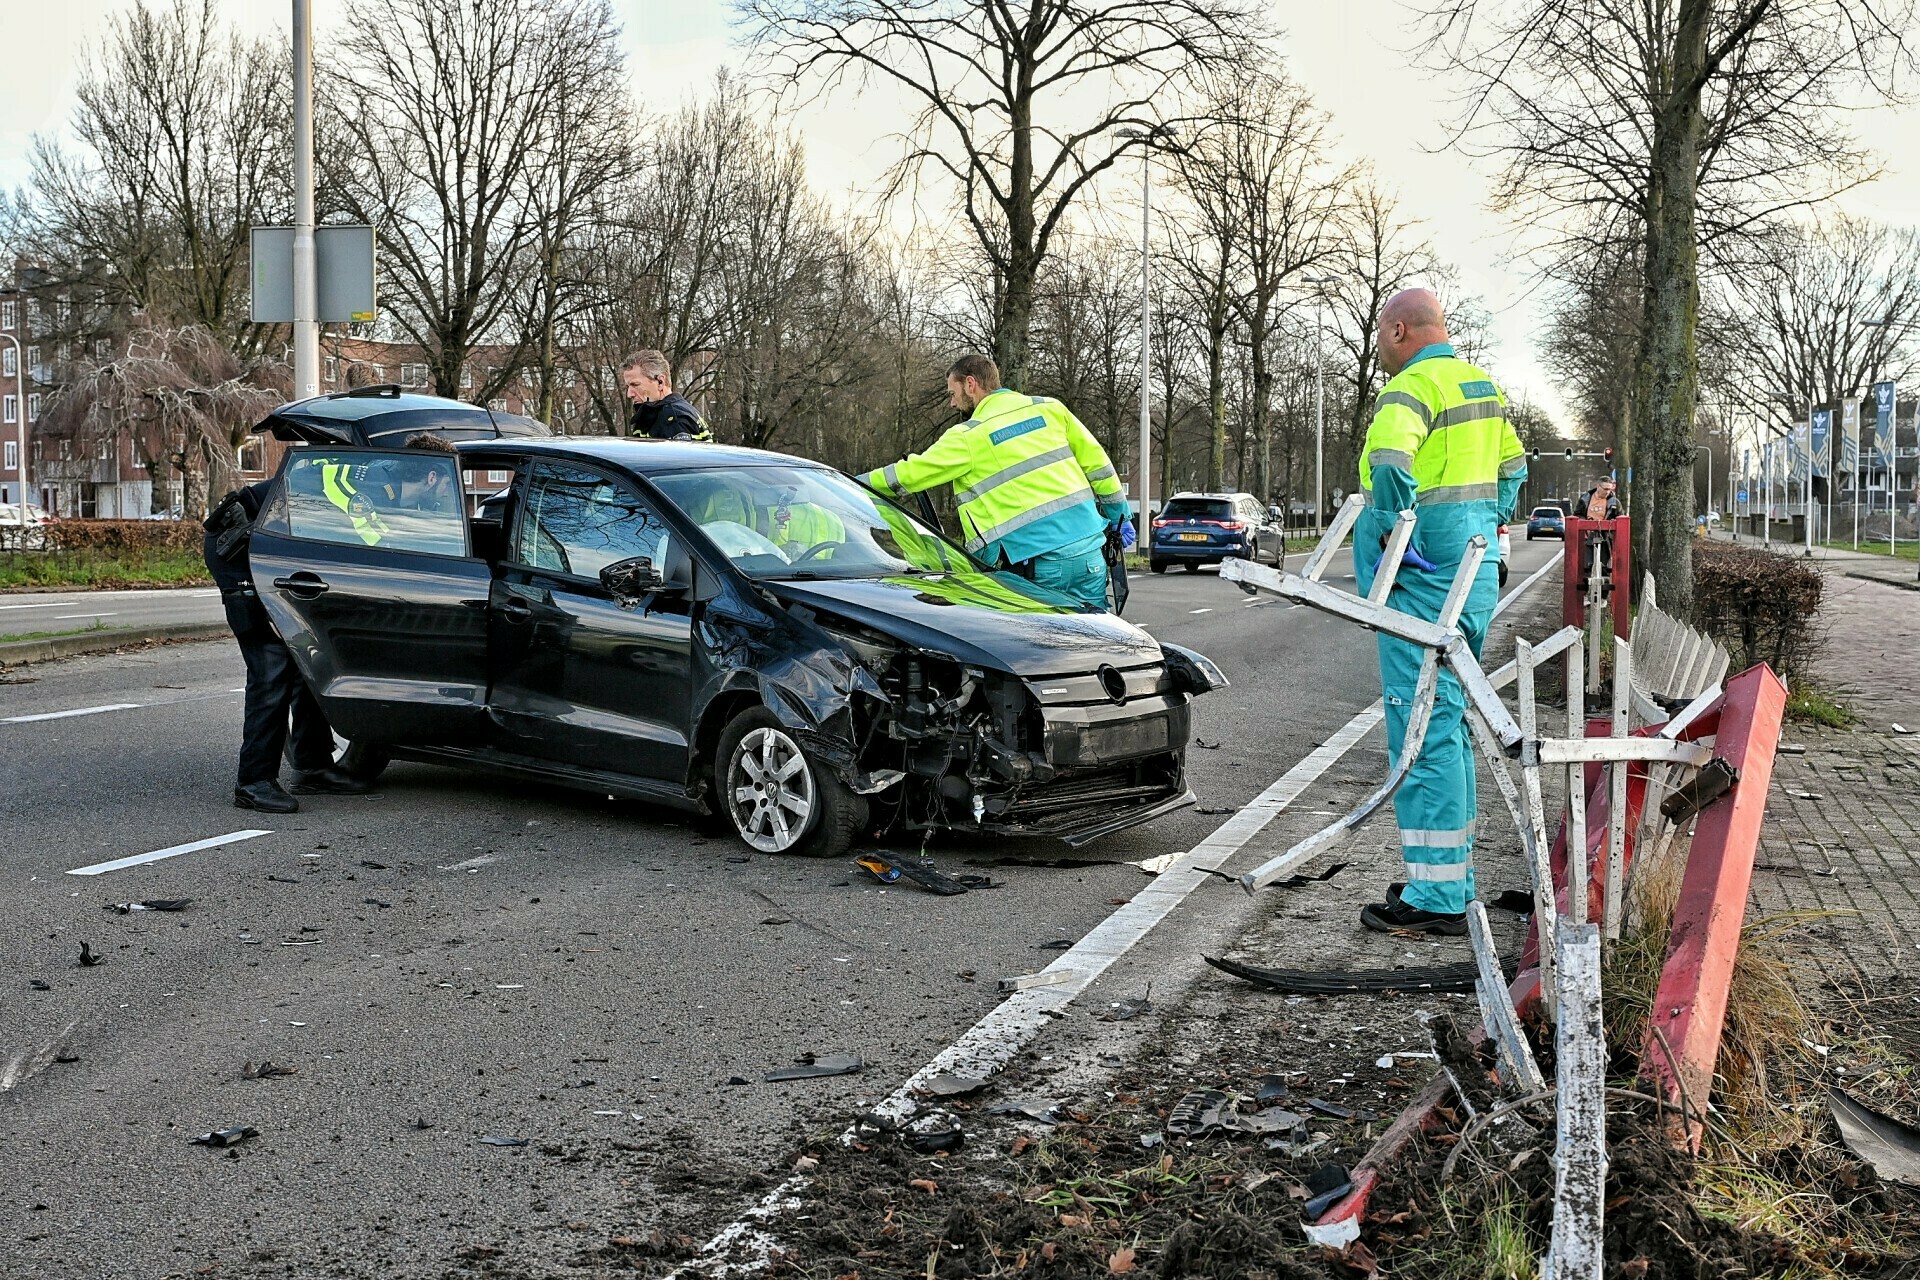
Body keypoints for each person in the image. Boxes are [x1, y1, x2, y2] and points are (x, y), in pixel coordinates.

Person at [1352, 289, 1527, 936]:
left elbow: (1389, 463)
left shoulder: (1410, 387)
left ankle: (1438, 897)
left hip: (1424, 583)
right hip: (1472, 577)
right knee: (1447, 726)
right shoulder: (1481, 387)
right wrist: (1484, 525)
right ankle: (1452, 879)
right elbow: (1515, 469)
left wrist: (1396, 529)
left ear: (1398, 329)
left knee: (1420, 730)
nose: (1380, 346)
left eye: (1381, 333)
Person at [859, 354, 1134, 610]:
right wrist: (1120, 517)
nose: (952, 404)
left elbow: (907, 475)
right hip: (1089, 554)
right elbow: (1099, 466)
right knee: (1097, 636)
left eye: (952, 394)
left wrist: (848, 482)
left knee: (1040, 643)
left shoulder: (969, 436)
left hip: (1039, 564)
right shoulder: (1050, 409)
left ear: (970, 384)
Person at [203, 484, 369, 813]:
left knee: (306, 657)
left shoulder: (367, 479)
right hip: (239, 547)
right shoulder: (358, 480)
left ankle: (312, 767)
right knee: (271, 664)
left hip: (279, 548)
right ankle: (253, 782)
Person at [621, 349, 713, 441]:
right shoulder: (657, 415)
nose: (629, 394)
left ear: (660, 382)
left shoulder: (674, 420)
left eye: (635, 385)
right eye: (628, 387)